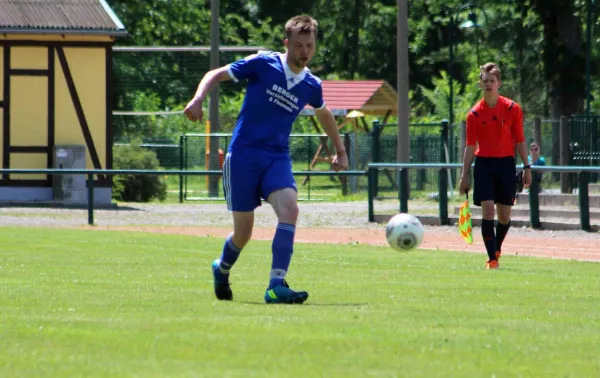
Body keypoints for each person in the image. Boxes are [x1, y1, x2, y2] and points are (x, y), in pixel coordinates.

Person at [183, 15, 348, 304]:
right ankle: (221, 269)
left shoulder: (311, 84)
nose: (305, 52)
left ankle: (276, 285)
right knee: (243, 233)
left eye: (309, 45)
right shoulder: (263, 63)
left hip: (276, 158)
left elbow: (323, 113)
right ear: (287, 43)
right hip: (243, 156)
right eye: (299, 45)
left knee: (290, 209)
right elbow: (215, 74)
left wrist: (340, 149)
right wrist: (198, 99)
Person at [459, 63, 532, 270]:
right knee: (488, 213)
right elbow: (470, 146)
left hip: (506, 165)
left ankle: (496, 248)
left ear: (499, 83)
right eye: (485, 81)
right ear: (480, 84)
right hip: (484, 166)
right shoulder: (473, 114)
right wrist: (464, 175)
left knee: (504, 216)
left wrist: (527, 167)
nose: (489, 84)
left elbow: (519, 139)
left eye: (492, 81)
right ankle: (492, 259)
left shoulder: (512, 108)